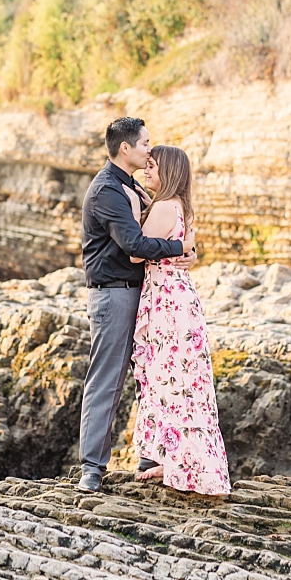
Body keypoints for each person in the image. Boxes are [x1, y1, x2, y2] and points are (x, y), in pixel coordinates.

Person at [76, 117, 194, 494]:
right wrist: (180, 250)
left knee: (153, 373)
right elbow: (134, 245)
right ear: (125, 148)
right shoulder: (107, 191)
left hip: (141, 292)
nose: (149, 150)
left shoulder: (134, 187)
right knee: (107, 380)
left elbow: (165, 228)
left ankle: (152, 456)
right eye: (145, 144)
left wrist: (188, 251)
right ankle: (92, 469)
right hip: (113, 293)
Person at [128, 145, 231, 496]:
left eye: (152, 166)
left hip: (166, 302)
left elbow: (135, 250)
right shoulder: (180, 207)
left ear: (167, 171)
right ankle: (175, 459)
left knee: (167, 379)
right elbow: (178, 245)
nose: (146, 169)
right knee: (183, 382)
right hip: (179, 299)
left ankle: (176, 461)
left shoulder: (162, 207)